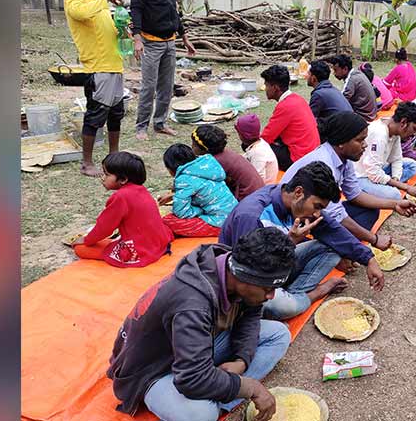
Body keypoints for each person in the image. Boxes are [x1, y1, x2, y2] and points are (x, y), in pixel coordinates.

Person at [107, 227, 295, 421]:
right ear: (244, 277)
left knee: (278, 335)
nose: (271, 295)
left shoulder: (231, 266)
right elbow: (191, 378)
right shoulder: (192, 304)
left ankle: (217, 392)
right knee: (200, 415)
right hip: (154, 369)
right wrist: (250, 388)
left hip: (192, 348)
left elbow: (251, 315)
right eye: (268, 288)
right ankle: (211, 396)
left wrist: (241, 360)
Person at [218, 161, 385, 320]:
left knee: (333, 247)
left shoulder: (295, 203)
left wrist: (368, 258)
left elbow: (333, 230)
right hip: (251, 280)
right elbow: (248, 273)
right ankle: (312, 295)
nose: (318, 214)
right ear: (298, 193)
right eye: (317, 206)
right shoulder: (252, 216)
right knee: (280, 306)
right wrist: (290, 242)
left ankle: (294, 294)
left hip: (277, 267)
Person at [281, 111, 416, 256]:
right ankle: (329, 249)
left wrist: (394, 204)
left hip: (318, 213)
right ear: (342, 142)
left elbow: (355, 195)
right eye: (360, 140)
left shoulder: (344, 159)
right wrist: (374, 239)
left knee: (370, 211)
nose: (365, 145)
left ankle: (336, 247)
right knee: (328, 222)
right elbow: (333, 215)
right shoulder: (324, 164)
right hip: (298, 217)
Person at [64, 0, 127, 177]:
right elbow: (81, 14)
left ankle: (114, 156)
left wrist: (121, 27)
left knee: (115, 114)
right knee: (95, 116)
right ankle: (87, 163)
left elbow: (105, 28)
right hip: (97, 67)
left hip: (114, 65)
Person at [129, 0, 197, 140]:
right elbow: (136, 8)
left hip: (169, 42)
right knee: (149, 86)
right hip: (150, 42)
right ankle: (141, 127)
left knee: (166, 87)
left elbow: (174, 12)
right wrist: (137, 38)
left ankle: (160, 123)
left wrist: (184, 37)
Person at [72, 152, 172, 268]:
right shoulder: (142, 190)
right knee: (106, 243)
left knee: (80, 249)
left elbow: (104, 228)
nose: (103, 178)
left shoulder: (120, 197)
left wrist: (86, 240)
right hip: (159, 243)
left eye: (107, 174)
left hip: (140, 251)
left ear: (123, 179)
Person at [159, 144, 237, 238]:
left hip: (220, 224)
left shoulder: (184, 180)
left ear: (170, 168)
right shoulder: (208, 166)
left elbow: (181, 213)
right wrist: (174, 195)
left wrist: (199, 210)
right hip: (234, 216)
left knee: (168, 221)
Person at [354, 102, 416, 201]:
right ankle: (379, 189)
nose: (414, 134)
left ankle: (384, 186)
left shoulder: (395, 131)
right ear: (403, 122)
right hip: (361, 176)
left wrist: (396, 178)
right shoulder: (380, 134)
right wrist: (405, 187)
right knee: (395, 195)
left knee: (412, 165)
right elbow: (373, 172)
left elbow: (397, 159)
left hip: (378, 170)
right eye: (414, 129)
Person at [259, 65, 321, 170]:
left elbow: (265, 138)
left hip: (299, 158)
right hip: (312, 153)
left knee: (255, 147)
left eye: (267, 85)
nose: (265, 89)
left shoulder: (285, 106)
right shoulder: (297, 99)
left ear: (275, 88)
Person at [191, 125, 264, 201]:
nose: (192, 147)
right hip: (259, 193)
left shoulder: (215, 163)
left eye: (194, 145)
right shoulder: (225, 153)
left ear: (205, 149)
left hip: (248, 200)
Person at [329, 54, 377, 122]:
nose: (334, 73)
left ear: (345, 69)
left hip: (364, 117)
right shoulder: (357, 74)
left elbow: (341, 100)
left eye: (336, 70)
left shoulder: (352, 79)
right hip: (370, 114)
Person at [234, 114, 278, 184]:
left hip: (265, 188)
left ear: (243, 136)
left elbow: (259, 180)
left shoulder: (257, 153)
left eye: (239, 134)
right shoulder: (260, 142)